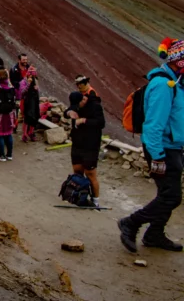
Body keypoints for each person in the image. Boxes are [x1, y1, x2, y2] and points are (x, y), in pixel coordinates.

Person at [118, 38, 184, 253]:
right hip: (162, 149)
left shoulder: (176, 83)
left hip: (172, 147)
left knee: (168, 195)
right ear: (179, 60)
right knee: (171, 196)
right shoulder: (163, 86)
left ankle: (155, 234)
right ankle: (131, 223)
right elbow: (153, 125)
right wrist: (157, 156)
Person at [66, 90, 105, 206]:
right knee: (77, 171)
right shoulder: (76, 105)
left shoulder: (95, 106)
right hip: (77, 143)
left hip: (91, 145)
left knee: (90, 173)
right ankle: (81, 196)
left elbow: (101, 123)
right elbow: (67, 111)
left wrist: (83, 120)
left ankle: (95, 201)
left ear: (83, 99)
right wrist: (69, 113)